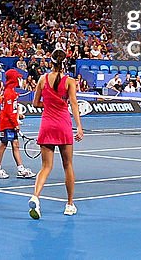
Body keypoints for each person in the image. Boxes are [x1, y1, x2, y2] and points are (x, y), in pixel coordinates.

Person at [28, 50, 83, 220]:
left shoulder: (43, 79)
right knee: (68, 165)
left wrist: (49, 104)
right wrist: (79, 127)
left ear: (50, 61)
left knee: (46, 167)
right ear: (65, 62)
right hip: (63, 125)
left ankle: (35, 197)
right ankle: (69, 204)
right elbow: (74, 104)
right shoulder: (70, 82)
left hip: (47, 125)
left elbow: (35, 103)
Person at [0, 69, 35, 180]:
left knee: (15, 145)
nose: (20, 79)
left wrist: (18, 116)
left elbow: (12, 110)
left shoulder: (11, 91)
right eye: (18, 77)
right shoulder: (9, 93)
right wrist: (15, 124)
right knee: (4, 144)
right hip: (7, 124)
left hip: (10, 123)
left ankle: (21, 169)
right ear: (13, 79)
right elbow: (8, 111)